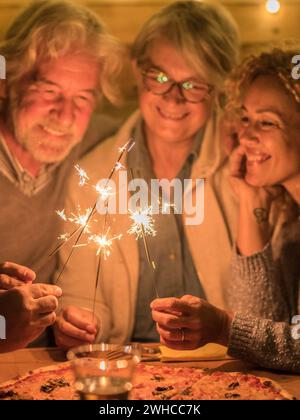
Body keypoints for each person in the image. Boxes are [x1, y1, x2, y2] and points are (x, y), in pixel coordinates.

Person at [54, 0, 240, 349]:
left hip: (228, 364)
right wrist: (79, 321)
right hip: (127, 365)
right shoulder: (93, 175)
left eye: (193, 84)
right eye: (160, 77)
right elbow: (79, 291)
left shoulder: (244, 169)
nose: (173, 99)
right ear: (137, 69)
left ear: (219, 86)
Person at [151, 49, 300, 373]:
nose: (246, 135)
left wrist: (223, 326)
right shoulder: (290, 220)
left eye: (267, 122)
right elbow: (266, 342)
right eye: (245, 118)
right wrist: (249, 200)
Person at [0, 0, 123, 350]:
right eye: (49, 90)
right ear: (6, 83)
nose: (66, 117)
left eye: (82, 98)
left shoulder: (98, 146)